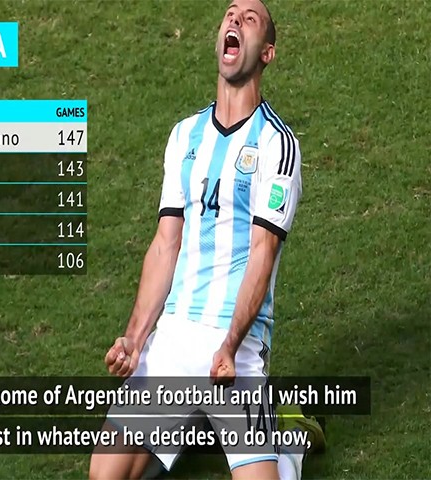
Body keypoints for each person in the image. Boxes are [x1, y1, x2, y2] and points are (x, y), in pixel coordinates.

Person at [88, 0, 324, 479]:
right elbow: (165, 243)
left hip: (236, 344)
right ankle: (192, 424)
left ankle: (289, 444)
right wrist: (135, 338)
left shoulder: (277, 145)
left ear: (267, 53)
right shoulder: (185, 136)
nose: (235, 20)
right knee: (105, 476)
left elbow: (262, 252)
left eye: (250, 19)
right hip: (174, 337)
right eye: (230, 14)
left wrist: (230, 346)